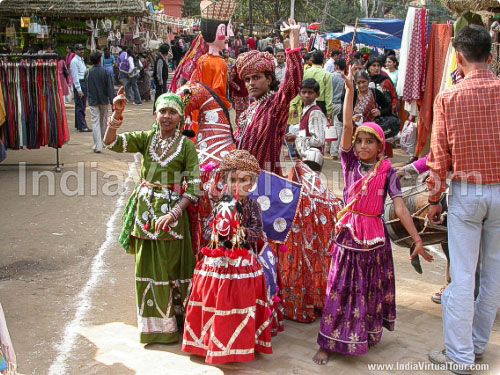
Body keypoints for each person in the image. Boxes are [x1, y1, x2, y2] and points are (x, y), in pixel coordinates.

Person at [313, 66, 432, 365]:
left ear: (381, 148)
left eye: (370, 142)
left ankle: (359, 335)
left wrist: (418, 239)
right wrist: (351, 91)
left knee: (367, 289)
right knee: (338, 287)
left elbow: (401, 207)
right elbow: (347, 131)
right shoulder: (348, 162)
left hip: (375, 238)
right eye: (360, 141)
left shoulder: (387, 172)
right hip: (348, 233)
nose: (363, 146)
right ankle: (327, 341)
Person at [426, 25, 500, 373]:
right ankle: (476, 346)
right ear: (491, 55)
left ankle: (460, 355)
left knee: (463, 277)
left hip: (467, 194)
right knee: (493, 276)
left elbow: (438, 160)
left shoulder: (449, 97)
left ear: (458, 56)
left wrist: (435, 199)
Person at [103, 91, 200, 344]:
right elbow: (110, 143)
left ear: (181, 117)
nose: (167, 116)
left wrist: (174, 212)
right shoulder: (146, 139)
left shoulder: (187, 146)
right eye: (162, 111)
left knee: (173, 268)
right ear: (155, 113)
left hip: (173, 217)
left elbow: (193, 188)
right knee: (146, 265)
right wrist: (117, 114)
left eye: (172, 112)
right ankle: (155, 328)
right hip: (145, 214)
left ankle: (177, 322)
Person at [182, 149, 272, 364]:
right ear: (225, 180)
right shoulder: (221, 204)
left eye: (243, 180)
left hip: (242, 259)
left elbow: (257, 231)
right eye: (232, 179)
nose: (236, 185)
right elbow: (205, 231)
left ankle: (238, 345)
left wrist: (238, 233)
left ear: (251, 184)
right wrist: (216, 232)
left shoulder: (252, 205)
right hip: (217, 258)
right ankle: (208, 341)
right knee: (210, 292)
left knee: (238, 298)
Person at [235, 19, 303, 175]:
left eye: (256, 77)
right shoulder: (249, 111)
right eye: (247, 80)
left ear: (269, 79)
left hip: (266, 182)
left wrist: (292, 43)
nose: (251, 83)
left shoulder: (276, 103)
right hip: (243, 180)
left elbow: (293, 82)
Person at [285, 78, 326, 172]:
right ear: (299, 94)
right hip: (305, 156)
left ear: (317, 94)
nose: (306, 95)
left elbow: (318, 140)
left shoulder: (315, 112)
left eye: (310, 93)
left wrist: (296, 138)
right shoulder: (306, 109)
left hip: (312, 158)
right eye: (304, 92)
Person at [85, 51, 114, 153]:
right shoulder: (105, 72)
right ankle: (102, 142)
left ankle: (97, 145)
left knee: (95, 122)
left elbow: (86, 85)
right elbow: (110, 88)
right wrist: (112, 102)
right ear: (99, 60)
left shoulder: (88, 72)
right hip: (104, 100)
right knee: (103, 121)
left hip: (93, 100)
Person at [301, 50, 333, 119]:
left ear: (311, 60)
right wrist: (329, 111)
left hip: (306, 102)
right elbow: (328, 94)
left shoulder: (304, 73)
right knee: (319, 127)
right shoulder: (327, 74)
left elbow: (299, 90)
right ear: (323, 61)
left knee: (305, 126)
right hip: (320, 105)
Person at [328, 58, 346, 159]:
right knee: (338, 128)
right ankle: (334, 152)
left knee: (329, 126)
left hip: (330, 104)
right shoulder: (346, 78)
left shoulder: (330, 76)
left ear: (336, 67)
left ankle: (328, 147)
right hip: (340, 105)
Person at [70, 44, 91, 132]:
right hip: (79, 83)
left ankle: (79, 124)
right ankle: (82, 126)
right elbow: (75, 76)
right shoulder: (74, 61)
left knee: (81, 105)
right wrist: (79, 89)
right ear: (75, 51)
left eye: (82, 49)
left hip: (83, 82)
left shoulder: (81, 60)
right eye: (79, 50)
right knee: (80, 106)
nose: (81, 51)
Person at [153, 44, 170, 113]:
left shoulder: (162, 58)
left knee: (160, 94)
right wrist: (160, 80)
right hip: (161, 80)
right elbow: (159, 70)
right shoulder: (160, 59)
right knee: (159, 94)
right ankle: (157, 109)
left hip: (162, 80)